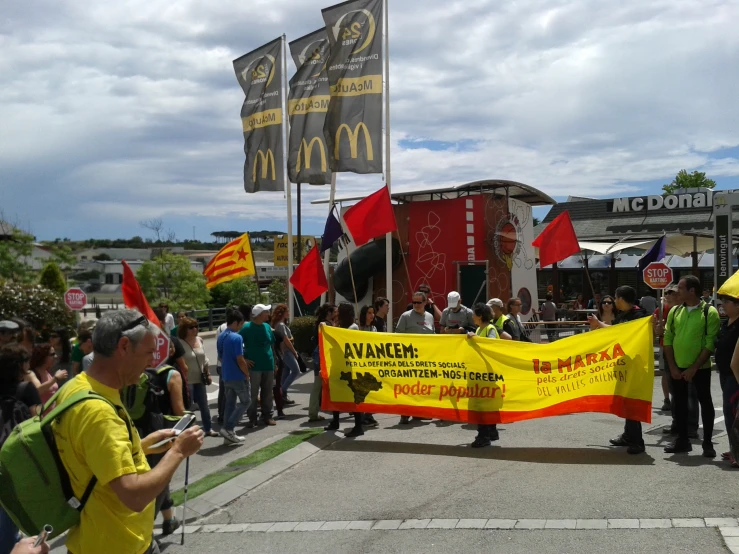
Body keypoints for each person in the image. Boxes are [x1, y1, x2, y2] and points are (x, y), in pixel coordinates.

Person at [52, 309, 204, 554]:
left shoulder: (77, 387)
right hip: (117, 544)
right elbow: (133, 497)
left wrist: (141, 445)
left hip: (96, 538)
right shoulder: (99, 412)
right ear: (124, 346)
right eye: (148, 353)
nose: (152, 362)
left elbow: (93, 458)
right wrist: (178, 451)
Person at [663, 275, 720, 457]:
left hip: (700, 369)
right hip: (677, 367)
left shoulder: (709, 312)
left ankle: (708, 443)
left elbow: (710, 343)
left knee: (705, 403)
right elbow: (668, 338)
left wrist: (694, 368)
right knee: (678, 404)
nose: (677, 292)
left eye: (680, 289)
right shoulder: (675, 311)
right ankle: (682, 440)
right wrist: (672, 366)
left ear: (691, 291)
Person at [589, 285, 648, 454]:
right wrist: (598, 324)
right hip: (623, 365)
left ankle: (637, 441)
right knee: (625, 401)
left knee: (632, 401)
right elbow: (615, 331)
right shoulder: (624, 315)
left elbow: (625, 334)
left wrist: (600, 324)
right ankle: (628, 435)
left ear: (621, 299)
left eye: (615, 298)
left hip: (635, 365)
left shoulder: (639, 315)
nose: (614, 302)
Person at [0, 344, 42, 553]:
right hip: (13, 459)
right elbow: (37, 422)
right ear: (21, 365)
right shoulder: (25, 389)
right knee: (9, 511)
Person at [325, 303, 368, 437]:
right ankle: (335, 421)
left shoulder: (353, 327)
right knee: (336, 393)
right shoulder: (340, 327)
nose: (336, 313)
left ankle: (358, 426)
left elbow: (346, 343)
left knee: (352, 397)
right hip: (338, 365)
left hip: (349, 368)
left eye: (338, 311)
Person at [397, 292, 435, 424]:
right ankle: (405, 413)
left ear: (425, 303)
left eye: (419, 302)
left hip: (425, 359)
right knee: (408, 387)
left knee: (421, 387)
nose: (416, 305)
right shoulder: (405, 316)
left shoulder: (430, 317)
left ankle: (418, 413)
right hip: (409, 359)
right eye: (414, 302)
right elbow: (398, 337)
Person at [466, 303, 501, 448]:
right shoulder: (480, 329)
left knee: (481, 405)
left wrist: (476, 339)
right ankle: (491, 432)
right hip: (481, 373)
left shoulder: (489, 329)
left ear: (480, 316)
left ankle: (483, 436)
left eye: (474, 314)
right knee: (487, 404)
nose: (472, 316)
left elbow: (490, 345)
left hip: (486, 374)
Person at [178, 317, 218, 438]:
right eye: (191, 327)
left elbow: (204, 359)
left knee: (204, 406)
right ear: (185, 329)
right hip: (187, 381)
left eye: (196, 326)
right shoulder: (179, 343)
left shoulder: (199, 340)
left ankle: (208, 428)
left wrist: (208, 373)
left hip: (200, 379)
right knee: (188, 408)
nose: (195, 329)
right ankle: (189, 431)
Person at [217, 310, 252, 445]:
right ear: (236, 323)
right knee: (245, 401)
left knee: (230, 404)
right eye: (241, 324)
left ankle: (228, 435)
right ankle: (228, 428)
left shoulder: (222, 337)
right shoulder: (237, 337)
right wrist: (246, 374)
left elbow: (220, 356)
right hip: (238, 376)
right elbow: (240, 359)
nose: (241, 327)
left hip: (226, 375)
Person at [241, 304, 277, 427]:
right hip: (254, 367)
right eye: (266, 312)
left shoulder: (267, 326)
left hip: (268, 364)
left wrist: (275, 362)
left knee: (267, 392)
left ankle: (267, 416)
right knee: (252, 393)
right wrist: (244, 359)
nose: (268, 314)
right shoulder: (246, 328)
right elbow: (237, 343)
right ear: (260, 314)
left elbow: (272, 345)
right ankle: (252, 418)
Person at [714, 292, 739, 467]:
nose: (723, 305)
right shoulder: (726, 323)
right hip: (724, 374)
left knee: (734, 415)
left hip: (735, 375)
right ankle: (734, 447)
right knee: (729, 413)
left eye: (727, 302)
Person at [308, 304, 336, 422]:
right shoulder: (324, 324)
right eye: (335, 311)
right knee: (318, 385)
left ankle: (315, 411)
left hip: (320, 356)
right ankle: (313, 413)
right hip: (322, 357)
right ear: (329, 313)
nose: (337, 314)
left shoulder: (326, 324)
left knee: (319, 385)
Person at [653, 285, 678, 412]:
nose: (668, 295)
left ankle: (677, 399)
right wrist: (657, 328)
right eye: (666, 293)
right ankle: (667, 399)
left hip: (679, 346)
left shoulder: (683, 309)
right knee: (665, 373)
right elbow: (654, 327)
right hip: (665, 345)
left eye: (671, 292)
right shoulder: (660, 310)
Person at [271, 304, 299, 405]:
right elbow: (285, 340)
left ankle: (283, 396)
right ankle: (281, 392)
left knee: (285, 373)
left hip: (284, 352)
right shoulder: (281, 325)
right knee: (296, 371)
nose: (289, 313)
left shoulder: (279, 324)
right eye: (287, 312)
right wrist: (294, 351)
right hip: (286, 352)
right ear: (282, 313)